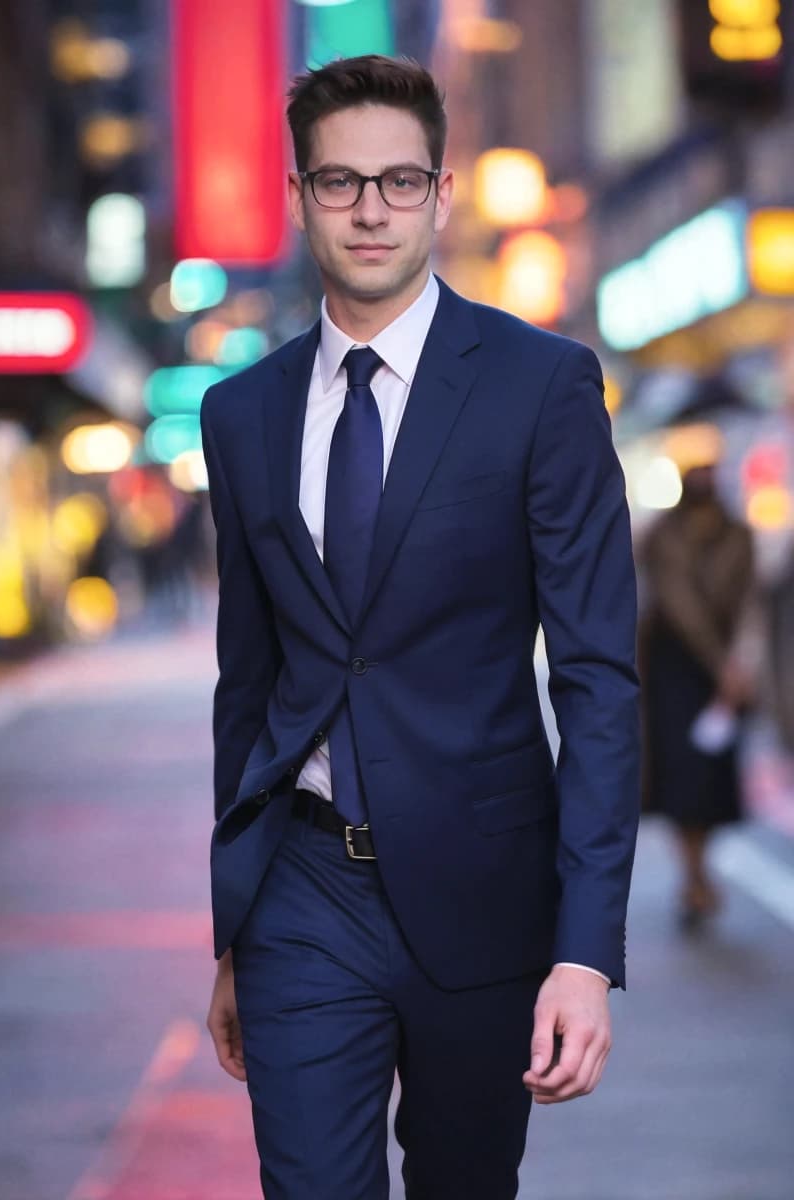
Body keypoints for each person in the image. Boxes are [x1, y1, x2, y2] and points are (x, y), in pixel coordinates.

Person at [200, 55, 640, 1200]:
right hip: (299, 891)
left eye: (397, 180)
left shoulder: (540, 386)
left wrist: (584, 947)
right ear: (300, 196)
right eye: (339, 182)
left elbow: (595, 677)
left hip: (482, 891)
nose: (368, 209)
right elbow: (244, 684)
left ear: (440, 195)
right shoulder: (239, 412)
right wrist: (231, 925)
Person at [640, 456, 756, 925]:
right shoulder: (661, 535)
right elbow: (676, 602)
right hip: (675, 670)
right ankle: (694, 875)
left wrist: (741, 664)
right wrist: (723, 663)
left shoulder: (739, 535)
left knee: (712, 780)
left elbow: (751, 601)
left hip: (723, 676)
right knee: (681, 780)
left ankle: (698, 871)